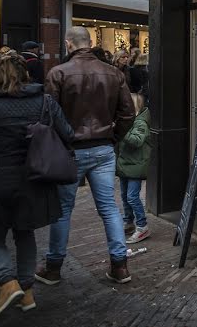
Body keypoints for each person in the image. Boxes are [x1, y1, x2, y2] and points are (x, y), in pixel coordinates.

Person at [34, 26, 135, 286]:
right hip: (103, 148)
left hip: (70, 150)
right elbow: (127, 113)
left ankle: (54, 267)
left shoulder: (58, 73)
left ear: (69, 45)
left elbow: (48, 116)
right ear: (89, 43)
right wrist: (113, 137)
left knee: (63, 209)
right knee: (110, 208)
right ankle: (120, 266)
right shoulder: (113, 73)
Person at [0, 53, 73, 322]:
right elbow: (67, 133)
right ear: (25, 74)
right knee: (25, 233)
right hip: (33, 179)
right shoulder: (44, 101)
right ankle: (27, 292)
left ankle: (7, 282)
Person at [117, 92, 152, 244]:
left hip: (136, 166)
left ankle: (142, 226)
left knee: (132, 197)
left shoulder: (140, 123)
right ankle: (129, 222)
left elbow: (137, 141)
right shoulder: (129, 121)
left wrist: (122, 130)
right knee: (125, 196)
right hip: (125, 164)